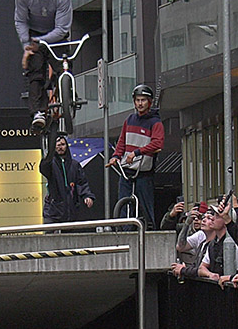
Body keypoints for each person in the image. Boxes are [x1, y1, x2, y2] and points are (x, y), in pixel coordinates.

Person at [15, 0, 72, 132]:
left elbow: (62, 28)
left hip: (57, 36)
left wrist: (42, 42)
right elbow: (20, 20)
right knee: (35, 73)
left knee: (64, 66)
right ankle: (38, 112)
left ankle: (67, 96)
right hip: (34, 36)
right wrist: (27, 45)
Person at [105, 84, 164, 230]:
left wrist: (137, 153)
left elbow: (158, 143)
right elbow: (122, 141)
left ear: (149, 102)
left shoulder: (155, 122)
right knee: (123, 203)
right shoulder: (130, 119)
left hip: (143, 171)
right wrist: (116, 156)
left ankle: (149, 230)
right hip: (126, 169)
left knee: (145, 204)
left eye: (143, 100)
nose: (140, 103)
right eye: (137, 100)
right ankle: (125, 232)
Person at [39, 133, 94, 225]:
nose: (60, 147)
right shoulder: (50, 164)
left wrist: (87, 196)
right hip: (53, 210)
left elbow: (82, 182)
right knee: (49, 236)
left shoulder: (74, 165)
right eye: (58, 145)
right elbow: (43, 168)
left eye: (63, 145)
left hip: (70, 209)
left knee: (69, 236)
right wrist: (48, 154)